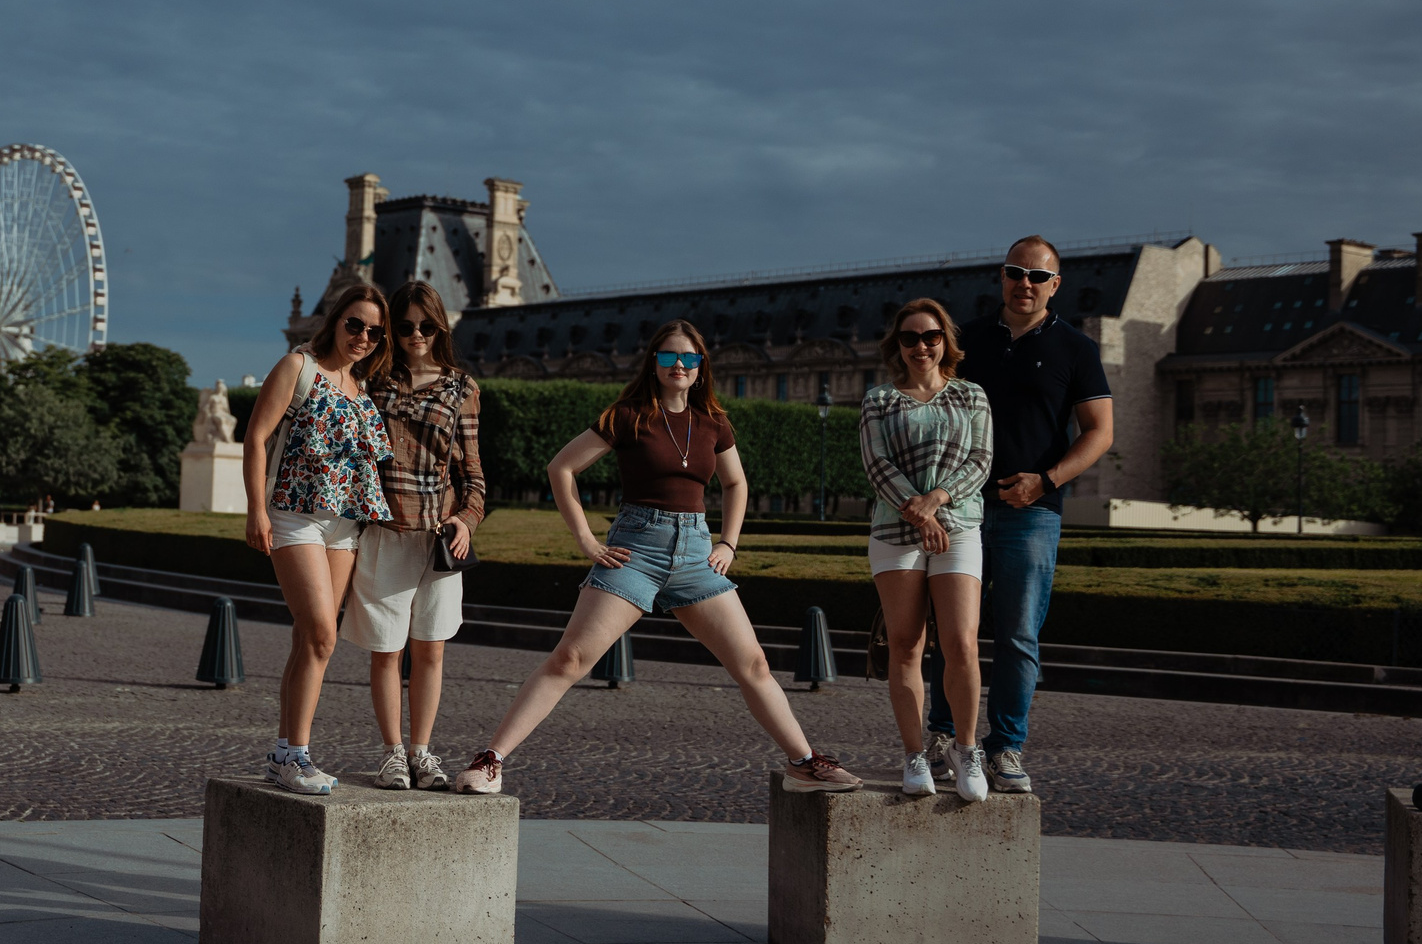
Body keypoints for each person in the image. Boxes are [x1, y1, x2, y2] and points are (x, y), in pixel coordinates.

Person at [454, 323, 860, 795]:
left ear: (701, 366)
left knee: (754, 664)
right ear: (654, 363)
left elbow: (736, 483)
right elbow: (561, 467)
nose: (680, 366)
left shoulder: (713, 422)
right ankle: (490, 760)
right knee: (571, 658)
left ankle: (804, 762)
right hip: (636, 548)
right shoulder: (627, 415)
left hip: (695, 553)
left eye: (689, 359)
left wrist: (728, 542)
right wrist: (585, 539)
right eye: (669, 358)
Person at [922, 235, 1115, 793]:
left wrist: (1046, 481)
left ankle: (1005, 746)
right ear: (1001, 277)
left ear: (1056, 285)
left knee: (1018, 636)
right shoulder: (967, 340)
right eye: (1015, 273)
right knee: (953, 632)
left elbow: (1100, 433)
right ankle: (942, 736)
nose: (1024, 284)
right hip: (961, 506)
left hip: (1033, 511)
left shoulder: (1076, 349)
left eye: (1037, 276)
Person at [244, 283, 394, 795]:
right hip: (296, 517)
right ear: (334, 320)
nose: (364, 337)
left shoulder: (361, 386)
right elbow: (256, 438)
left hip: (344, 526)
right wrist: (255, 511)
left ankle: (283, 752)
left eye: (375, 332)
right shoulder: (298, 367)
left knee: (309, 640)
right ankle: (296, 757)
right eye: (355, 324)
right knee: (322, 637)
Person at [347, 281, 484, 791]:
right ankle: (391, 754)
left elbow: (473, 475)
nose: (415, 335)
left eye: (426, 326)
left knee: (430, 649)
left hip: (439, 539)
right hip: (384, 531)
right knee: (386, 649)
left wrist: (466, 521)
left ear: (441, 326)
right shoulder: (371, 380)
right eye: (404, 327)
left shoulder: (462, 388)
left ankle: (422, 751)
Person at [860, 298, 994, 801]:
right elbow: (877, 466)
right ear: (898, 345)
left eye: (931, 336)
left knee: (961, 642)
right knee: (906, 645)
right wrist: (920, 514)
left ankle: (964, 748)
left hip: (956, 525)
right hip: (895, 532)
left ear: (946, 341)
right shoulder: (879, 400)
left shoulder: (971, 395)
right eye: (911, 337)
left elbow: (981, 462)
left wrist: (935, 503)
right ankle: (916, 754)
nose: (921, 345)